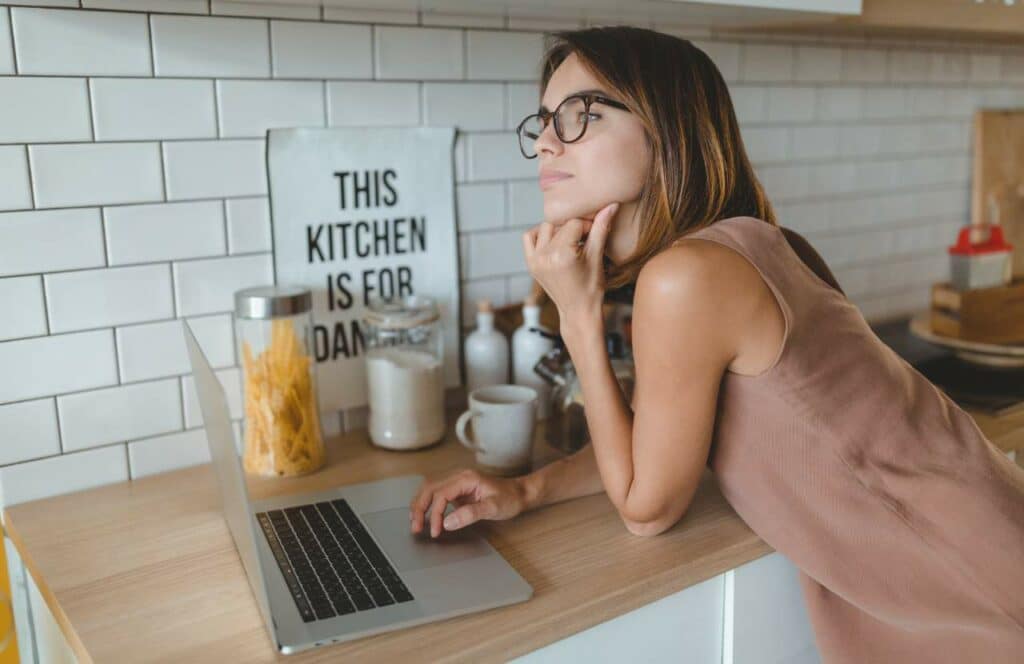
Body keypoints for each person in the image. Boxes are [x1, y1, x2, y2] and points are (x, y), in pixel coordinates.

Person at [408, 26, 1024, 662]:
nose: (544, 142)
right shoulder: (741, 246)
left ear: (665, 126)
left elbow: (646, 509)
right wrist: (528, 491)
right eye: (542, 120)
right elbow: (658, 437)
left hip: (975, 590)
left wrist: (577, 316)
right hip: (975, 550)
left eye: (578, 115)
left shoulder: (687, 278)